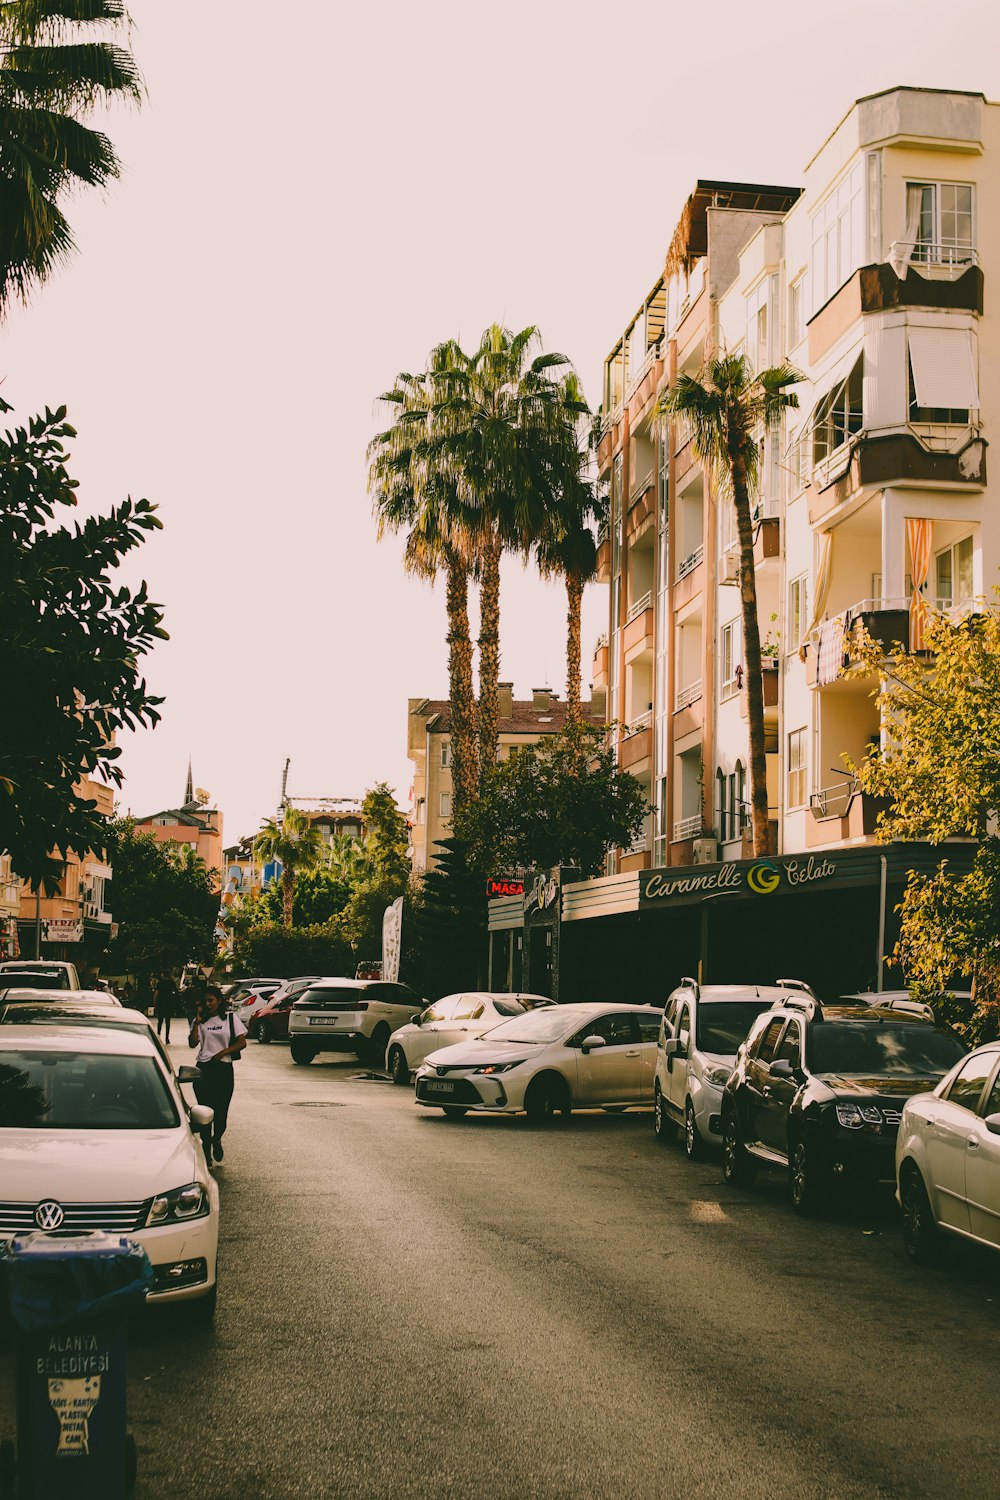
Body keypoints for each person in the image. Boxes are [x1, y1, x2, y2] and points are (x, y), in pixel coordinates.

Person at [188, 986, 247, 1162]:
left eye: (211, 1000)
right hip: (203, 1069)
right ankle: (206, 1148)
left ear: (219, 1001)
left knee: (221, 1113)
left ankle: (217, 1139)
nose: (208, 1004)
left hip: (223, 1069)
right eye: (205, 1001)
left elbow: (242, 1043)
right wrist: (197, 1022)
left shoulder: (230, 1018)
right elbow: (192, 1043)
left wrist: (223, 1052)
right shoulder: (199, 1021)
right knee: (205, 1112)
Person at [154, 973, 177, 1041]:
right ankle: (167, 1038)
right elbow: (175, 993)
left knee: (160, 1021)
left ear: (163, 975)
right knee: (168, 1022)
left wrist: (155, 1004)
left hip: (160, 1004)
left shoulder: (159, 983)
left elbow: (156, 994)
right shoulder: (172, 983)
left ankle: (158, 1036)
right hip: (169, 1004)